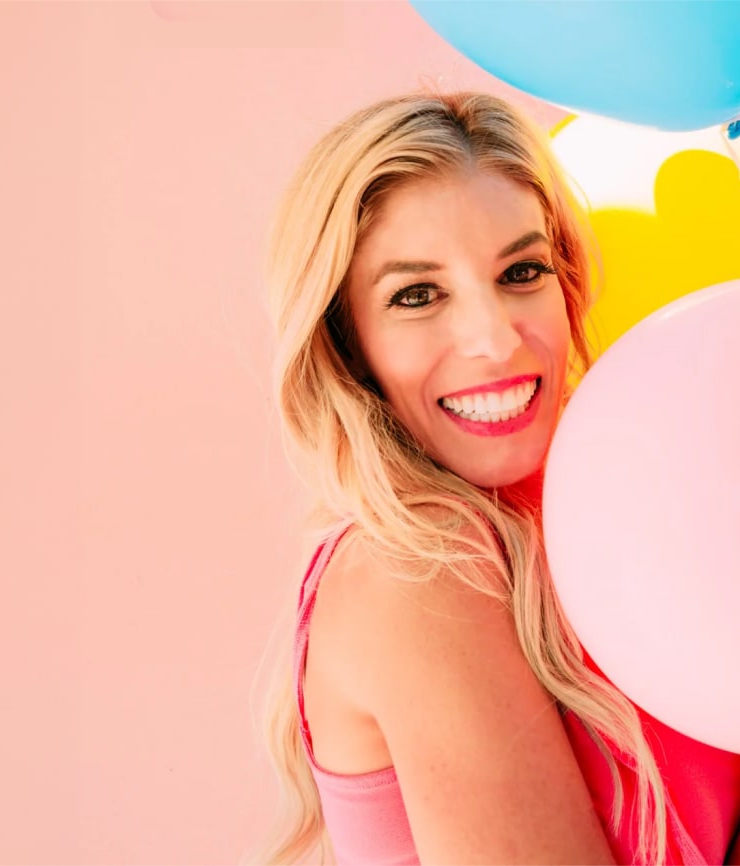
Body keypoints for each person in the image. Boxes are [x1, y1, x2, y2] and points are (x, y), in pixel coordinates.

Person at [246, 92, 740, 865]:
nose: (492, 338)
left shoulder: (635, 495)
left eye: (521, 271)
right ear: (347, 342)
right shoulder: (413, 573)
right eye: (417, 295)